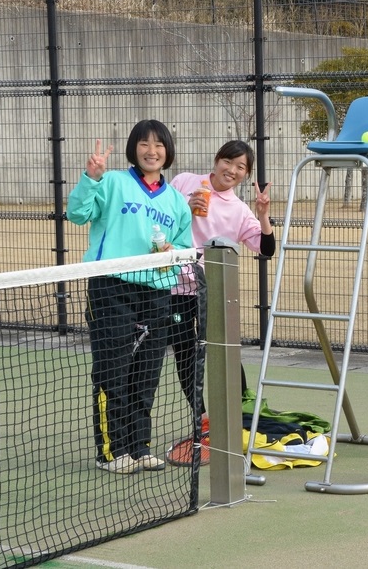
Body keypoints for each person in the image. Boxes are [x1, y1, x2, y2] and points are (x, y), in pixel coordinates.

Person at [67, 119, 193, 475]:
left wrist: (171, 250)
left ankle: (139, 447)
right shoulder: (112, 182)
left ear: (168, 152)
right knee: (113, 369)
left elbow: (184, 247)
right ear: (133, 148)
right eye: (144, 144)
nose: (152, 151)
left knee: (147, 373)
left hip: (156, 293)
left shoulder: (176, 202)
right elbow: (77, 214)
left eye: (159, 145)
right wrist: (90, 177)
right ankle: (111, 451)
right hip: (111, 286)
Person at [168, 140, 275, 432]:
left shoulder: (239, 210)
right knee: (185, 353)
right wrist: (185, 208)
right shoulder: (184, 182)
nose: (232, 170)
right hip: (172, 288)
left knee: (224, 351)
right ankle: (202, 420)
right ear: (217, 160)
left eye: (241, 167)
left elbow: (266, 248)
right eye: (228, 161)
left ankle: (239, 413)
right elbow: (162, 221)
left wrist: (263, 215)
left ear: (245, 174)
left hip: (212, 290)